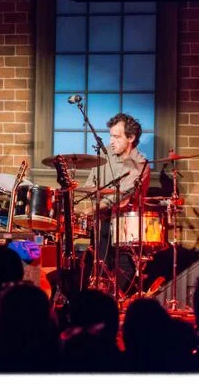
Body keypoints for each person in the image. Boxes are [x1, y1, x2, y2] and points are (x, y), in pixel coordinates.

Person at [77, 113, 150, 276]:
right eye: (111, 136)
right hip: (101, 223)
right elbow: (89, 185)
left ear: (130, 138)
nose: (111, 141)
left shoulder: (139, 164)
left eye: (116, 137)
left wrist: (92, 209)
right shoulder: (104, 155)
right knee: (95, 265)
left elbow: (120, 196)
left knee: (122, 271)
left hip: (126, 229)